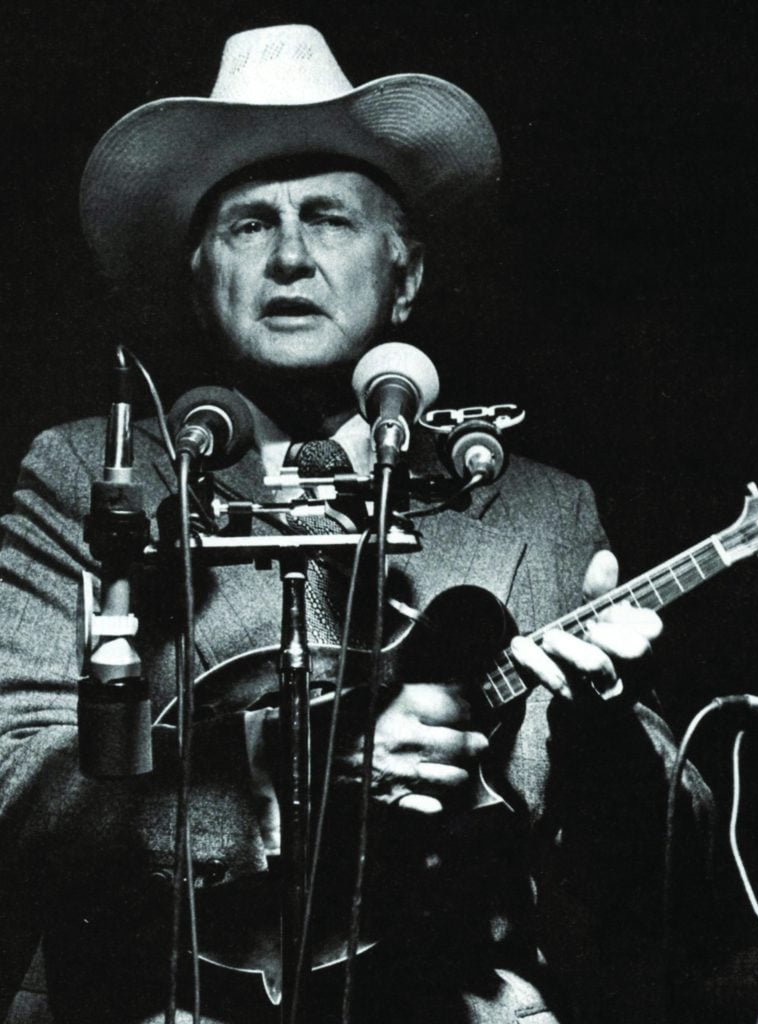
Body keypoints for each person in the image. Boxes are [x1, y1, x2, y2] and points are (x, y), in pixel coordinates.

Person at [0, 24, 713, 1024]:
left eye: (328, 218)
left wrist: (601, 734)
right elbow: (13, 775)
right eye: (249, 225)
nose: (290, 255)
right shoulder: (91, 474)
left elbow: (665, 853)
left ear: (405, 273)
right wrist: (288, 775)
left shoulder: (538, 506)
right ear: (197, 278)